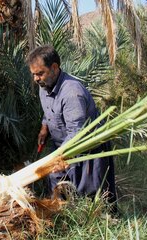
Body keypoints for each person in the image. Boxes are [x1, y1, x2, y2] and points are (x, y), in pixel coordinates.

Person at [26, 45, 117, 207]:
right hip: (63, 146)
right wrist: (44, 126)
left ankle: (100, 224)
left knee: (91, 196)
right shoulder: (44, 85)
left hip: (86, 149)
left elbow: (76, 132)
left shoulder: (72, 93)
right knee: (57, 184)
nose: (36, 79)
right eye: (33, 74)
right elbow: (49, 108)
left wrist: (60, 158)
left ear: (54, 67)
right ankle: (63, 215)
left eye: (40, 73)